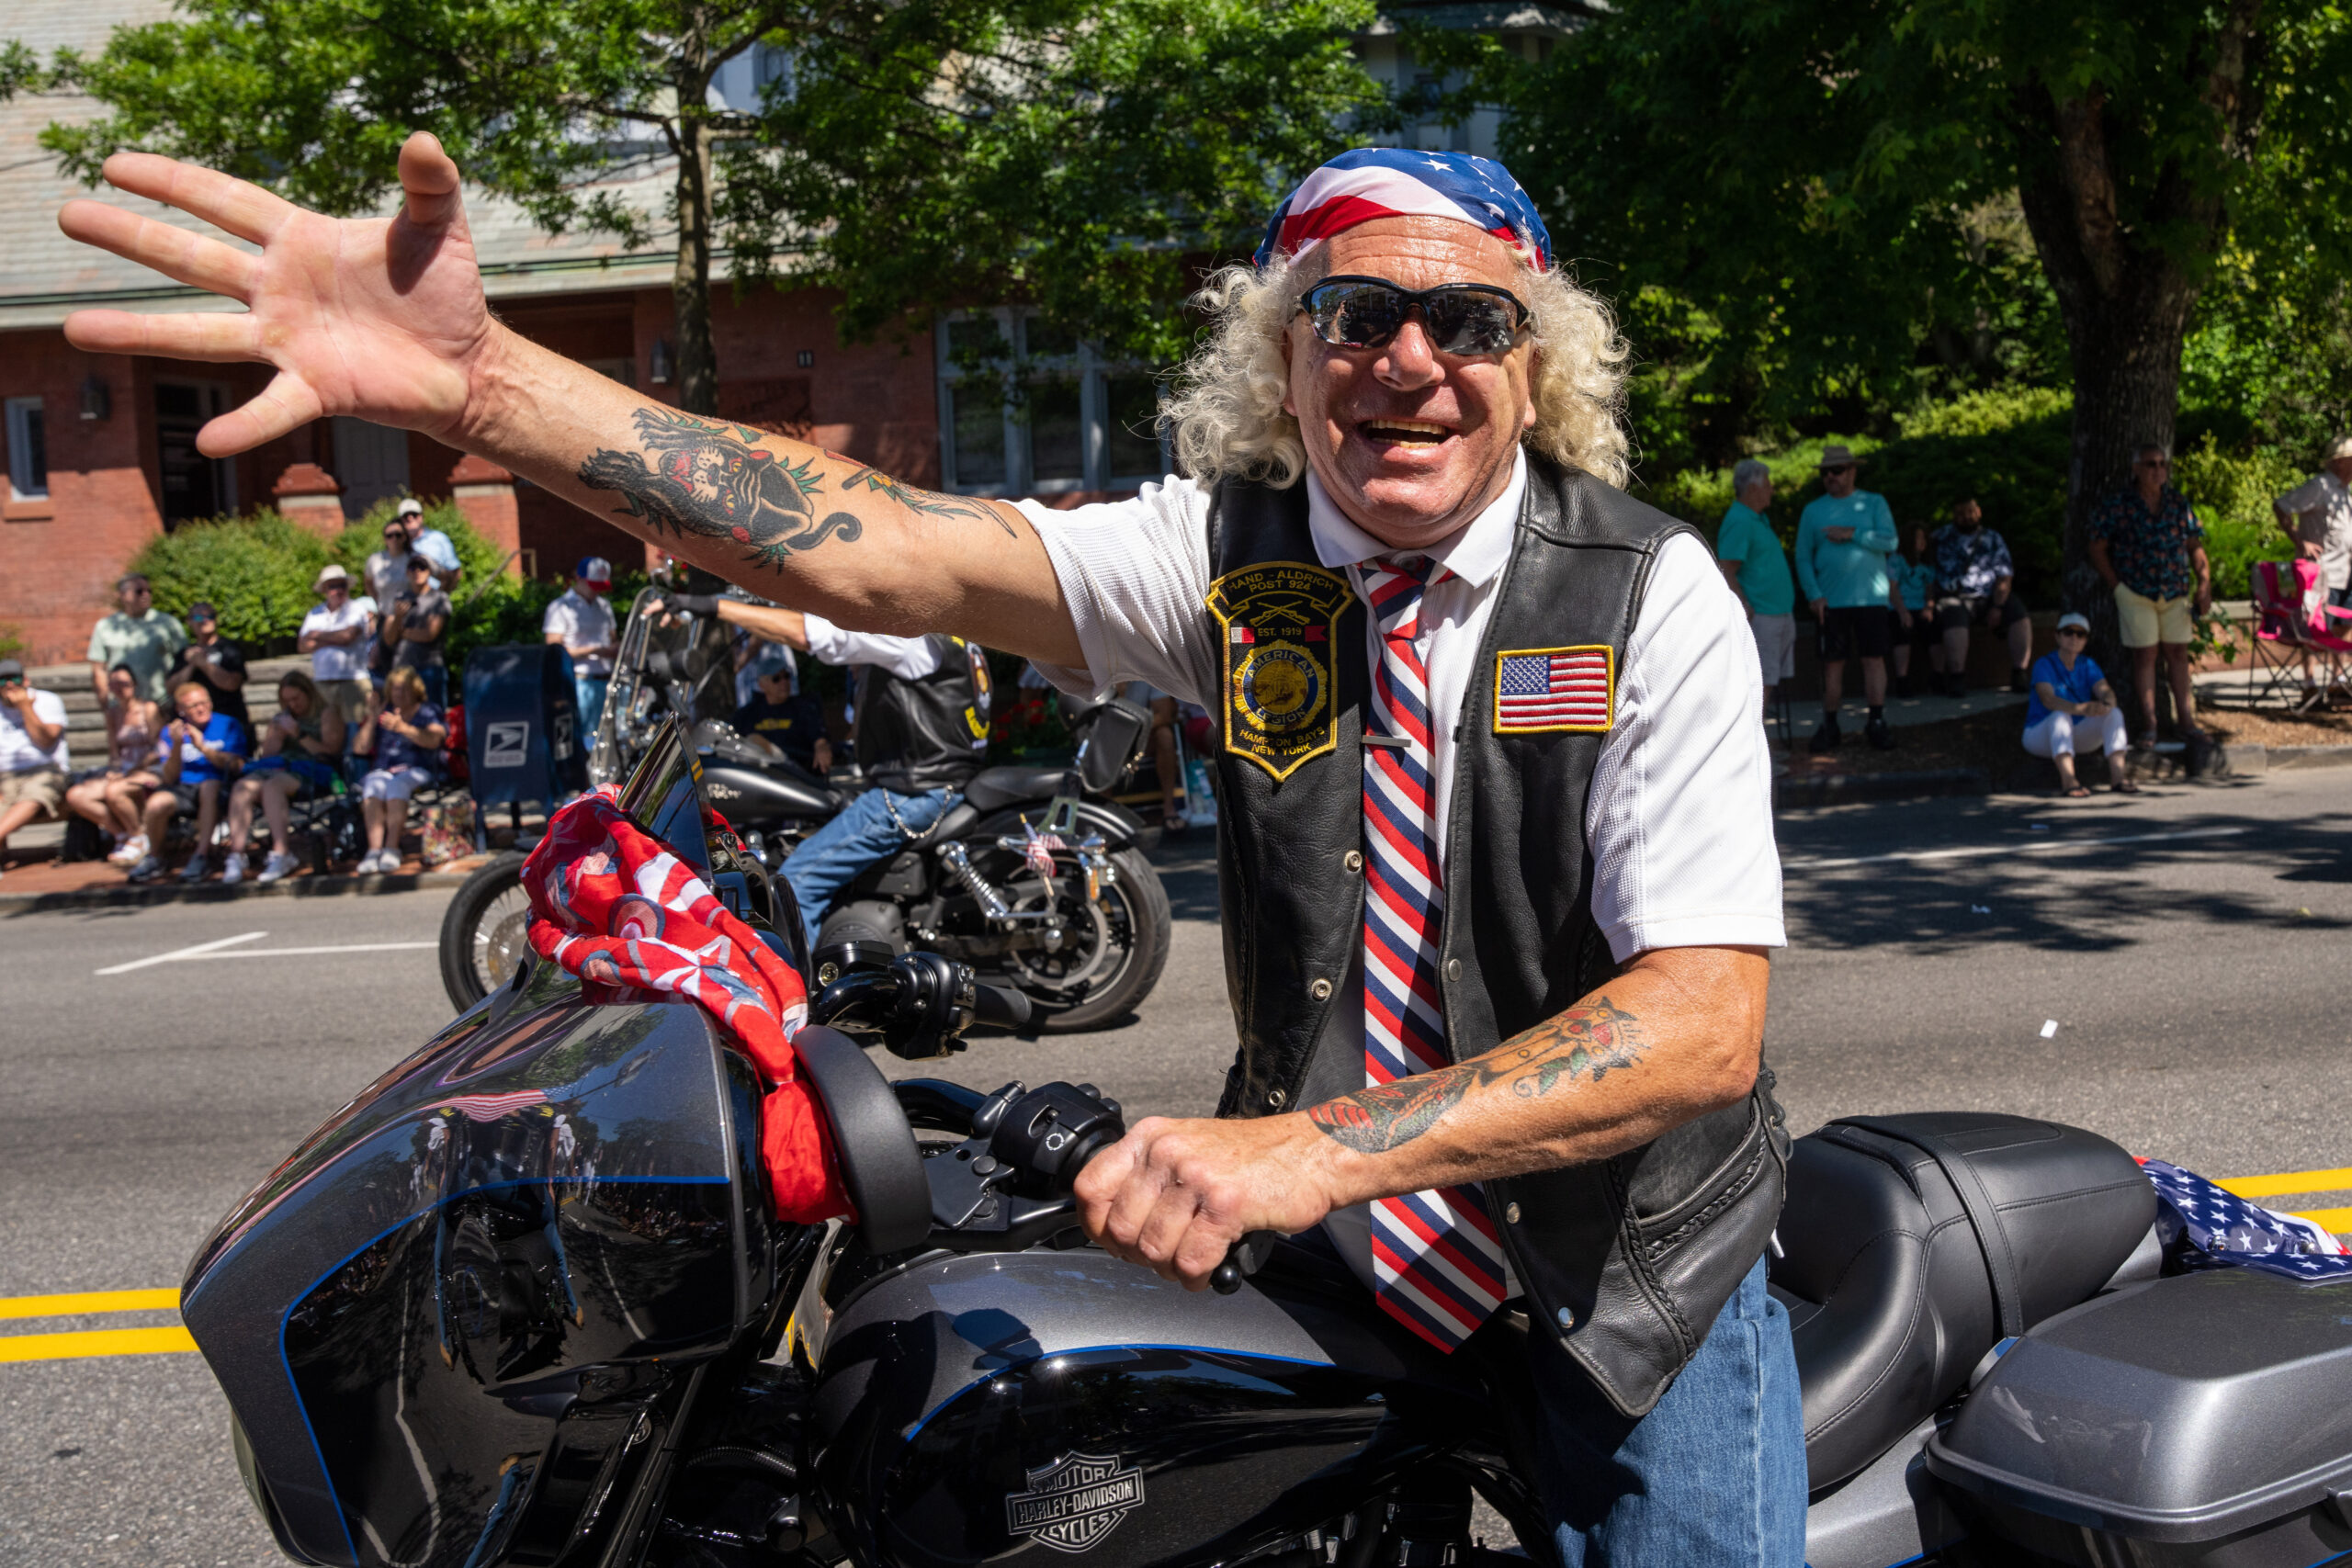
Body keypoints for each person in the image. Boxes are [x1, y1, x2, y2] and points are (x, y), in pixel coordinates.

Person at [62, 139, 1804, 1562]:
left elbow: (1700, 1021)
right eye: (1353, 310)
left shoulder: (1649, 598)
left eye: (1466, 318)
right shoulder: (1233, 558)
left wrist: (1309, 1153)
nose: (1409, 358)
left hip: (1620, 1282)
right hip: (1344, 1248)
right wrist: (482, 383)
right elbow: (881, 551)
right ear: (1282, 357)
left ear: (1534, 361)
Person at [655, 593, 989, 944]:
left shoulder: (911, 638)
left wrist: (713, 606)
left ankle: (793, 992)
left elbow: (811, 634)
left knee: (796, 882)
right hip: (941, 785)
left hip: (913, 794)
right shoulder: (958, 639)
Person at [2089, 443, 2212, 749]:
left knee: (2178, 654)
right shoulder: (2120, 504)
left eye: (2161, 464)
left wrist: (2204, 582)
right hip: (2135, 590)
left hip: (2174, 590)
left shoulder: (2177, 503)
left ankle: (2186, 721)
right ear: (2136, 469)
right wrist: (2116, 585)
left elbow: (2194, 545)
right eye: (2150, 464)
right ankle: (2150, 725)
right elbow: (2097, 546)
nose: (2157, 470)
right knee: (2145, 655)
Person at [1794, 444, 1898, 751]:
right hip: (1832, 603)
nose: (1831, 477)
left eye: (1838, 470)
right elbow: (1802, 557)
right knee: (1832, 666)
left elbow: (1891, 540)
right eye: (1826, 472)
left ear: (1852, 471)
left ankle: (1876, 722)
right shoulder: (1813, 510)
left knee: (1873, 661)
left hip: (1872, 600)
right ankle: (1829, 726)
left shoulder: (1874, 503)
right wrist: (1814, 595)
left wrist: (1853, 533)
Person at [221, 669, 347, 885]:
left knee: (272, 787)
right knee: (243, 786)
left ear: (309, 693)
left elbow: (331, 752)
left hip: (314, 769)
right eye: (286, 700)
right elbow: (268, 757)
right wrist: (276, 737)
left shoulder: (327, 714)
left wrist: (299, 735)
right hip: (279, 767)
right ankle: (237, 854)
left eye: (296, 698)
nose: (292, 705)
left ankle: (282, 853)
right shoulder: (282, 718)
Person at [127, 680, 247, 883]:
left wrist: (203, 748)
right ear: (180, 710)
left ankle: (201, 855)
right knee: (156, 803)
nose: (201, 708)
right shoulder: (171, 732)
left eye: (204, 703)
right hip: (184, 788)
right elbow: (170, 777)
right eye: (194, 705)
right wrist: (176, 746)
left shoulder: (227, 724)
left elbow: (237, 765)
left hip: (222, 788)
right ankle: (155, 857)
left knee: (209, 786)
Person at [1716, 458, 1797, 718]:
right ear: (1752, 487)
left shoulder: (1756, 518)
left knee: (1768, 683)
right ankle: (1755, 753)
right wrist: (1745, 606)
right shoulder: (1740, 520)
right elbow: (1726, 567)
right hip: (1762, 616)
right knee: (1759, 685)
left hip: (1776, 613)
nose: (1772, 490)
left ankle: (1762, 749)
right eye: (1768, 484)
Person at [63, 661, 166, 866]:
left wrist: (132, 771)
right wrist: (115, 769)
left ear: (134, 684)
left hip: (151, 769)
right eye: (114, 684)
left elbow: (160, 750)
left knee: (114, 791)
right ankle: (121, 835)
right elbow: (114, 752)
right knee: (75, 796)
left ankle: (139, 837)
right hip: (125, 771)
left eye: (124, 683)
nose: (120, 688)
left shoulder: (149, 709)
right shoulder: (113, 714)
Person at [2023, 612, 2133, 798]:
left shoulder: (2088, 664)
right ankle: (2069, 781)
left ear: (2085, 640)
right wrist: (2080, 709)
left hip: (2076, 733)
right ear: (2057, 636)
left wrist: (2106, 705)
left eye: (2080, 634)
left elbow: (2105, 691)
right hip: (2039, 735)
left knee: (2114, 713)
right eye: (2068, 632)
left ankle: (2118, 778)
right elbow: (2048, 700)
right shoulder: (2044, 664)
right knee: (2060, 716)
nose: (2074, 638)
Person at [1929, 498, 2031, 696]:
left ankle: (2020, 672)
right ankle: (1957, 677)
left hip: (1989, 595)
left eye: (1970, 512)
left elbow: (2005, 575)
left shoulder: (1992, 538)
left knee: (2018, 613)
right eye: (1960, 513)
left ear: (1979, 512)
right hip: (1954, 597)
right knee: (1953, 616)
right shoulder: (1940, 537)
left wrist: (1998, 606)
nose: (1966, 517)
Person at [351, 666, 447, 874]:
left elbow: (435, 740)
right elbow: (359, 749)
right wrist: (372, 716)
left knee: (397, 784)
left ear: (415, 689)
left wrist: (403, 728)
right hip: (384, 770)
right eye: (395, 689)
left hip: (418, 769)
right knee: (374, 785)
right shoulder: (384, 714)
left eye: (404, 689)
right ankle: (374, 851)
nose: (399, 694)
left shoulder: (427, 711)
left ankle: (392, 848)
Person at [0, 660, 72, 881]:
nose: (10, 685)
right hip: (5, 774)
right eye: (3, 680)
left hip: (46, 770)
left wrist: (25, 708)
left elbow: (46, 741)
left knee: (34, 794)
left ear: (26, 680)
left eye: (15, 679)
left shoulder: (47, 700)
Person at [2272, 434, 2352, 613]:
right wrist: (2300, 542)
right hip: (2322, 577)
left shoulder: (2345, 490)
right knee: (2319, 634)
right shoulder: (2320, 486)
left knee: (2344, 632)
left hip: (2344, 577)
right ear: (2340, 461)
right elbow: (2281, 506)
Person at [543, 555, 619, 733]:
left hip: (606, 681)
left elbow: (612, 639)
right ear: (578, 579)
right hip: (579, 682)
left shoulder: (604, 605)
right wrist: (595, 651)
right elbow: (554, 651)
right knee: (582, 737)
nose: (596, 591)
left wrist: (619, 649)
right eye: (593, 585)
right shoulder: (560, 607)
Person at [85, 573, 186, 705]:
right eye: (139, 591)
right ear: (122, 595)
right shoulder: (105, 626)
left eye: (149, 591)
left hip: (162, 703)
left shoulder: (167, 623)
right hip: (122, 707)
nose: (146, 595)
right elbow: (99, 669)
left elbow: (184, 662)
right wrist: (105, 704)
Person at [298, 564, 376, 728]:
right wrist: (335, 636)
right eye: (333, 586)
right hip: (322, 682)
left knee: (356, 729)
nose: (339, 590)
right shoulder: (314, 613)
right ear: (325, 590)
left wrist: (317, 635)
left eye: (342, 585)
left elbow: (347, 636)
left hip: (353, 681)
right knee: (326, 729)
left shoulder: (357, 609)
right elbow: (302, 646)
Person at [731, 654, 832, 772]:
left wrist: (822, 749)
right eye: (776, 679)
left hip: (797, 771)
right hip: (760, 773)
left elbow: (819, 738)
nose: (783, 682)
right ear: (762, 685)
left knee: (756, 740)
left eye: (786, 676)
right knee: (754, 740)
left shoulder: (804, 708)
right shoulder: (747, 714)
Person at [379, 552, 452, 705]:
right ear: (407, 572)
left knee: (433, 716)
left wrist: (402, 632)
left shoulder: (439, 598)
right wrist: (398, 617)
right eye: (413, 568)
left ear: (429, 572)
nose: (417, 571)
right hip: (402, 669)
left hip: (429, 668)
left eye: (422, 567)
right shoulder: (399, 598)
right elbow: (390, 639)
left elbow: (429, 634)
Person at [164, 600, 250, 728]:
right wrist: (192, 665)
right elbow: (171, 688)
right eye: (199, 617)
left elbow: (232, 683)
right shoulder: (186, 653)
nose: (205, 620)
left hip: (228, 722)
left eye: (210, 616)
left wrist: (203, 663)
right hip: (192, 724)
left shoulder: (230, 648)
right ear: (189, 621)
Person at [1889, 525, 1938, 698]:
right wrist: (1902, 611)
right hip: (1899, 608)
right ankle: (1902, 680)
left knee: (1935, 633)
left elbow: (1930, 589)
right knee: (1902, 633)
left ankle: (1938, 677)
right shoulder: (1896, 559)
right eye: (1919, 538)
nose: (1923, 542)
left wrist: (1929, 608)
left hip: (1922, 608)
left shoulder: (1927, 563)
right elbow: (1892, 588)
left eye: (1925, 538)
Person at [397, 498, 462, 588]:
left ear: (421, 517)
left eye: (414, 514)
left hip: (435, 596)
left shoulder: (438, 538)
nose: (410, 518)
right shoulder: (396, 541)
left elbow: (455, 571)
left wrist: (443, 594)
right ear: (401, 520)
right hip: (407, 598)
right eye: (406, 516)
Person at [363, 517, 414, 607]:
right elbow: (368, 582)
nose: (394, 539)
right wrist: (377, 600)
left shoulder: (413, 558)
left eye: (398, 535)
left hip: (411, 614)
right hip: (384, 614)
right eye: (389, 535)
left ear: (404, 537)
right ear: (385, 539)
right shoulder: (375, 559)